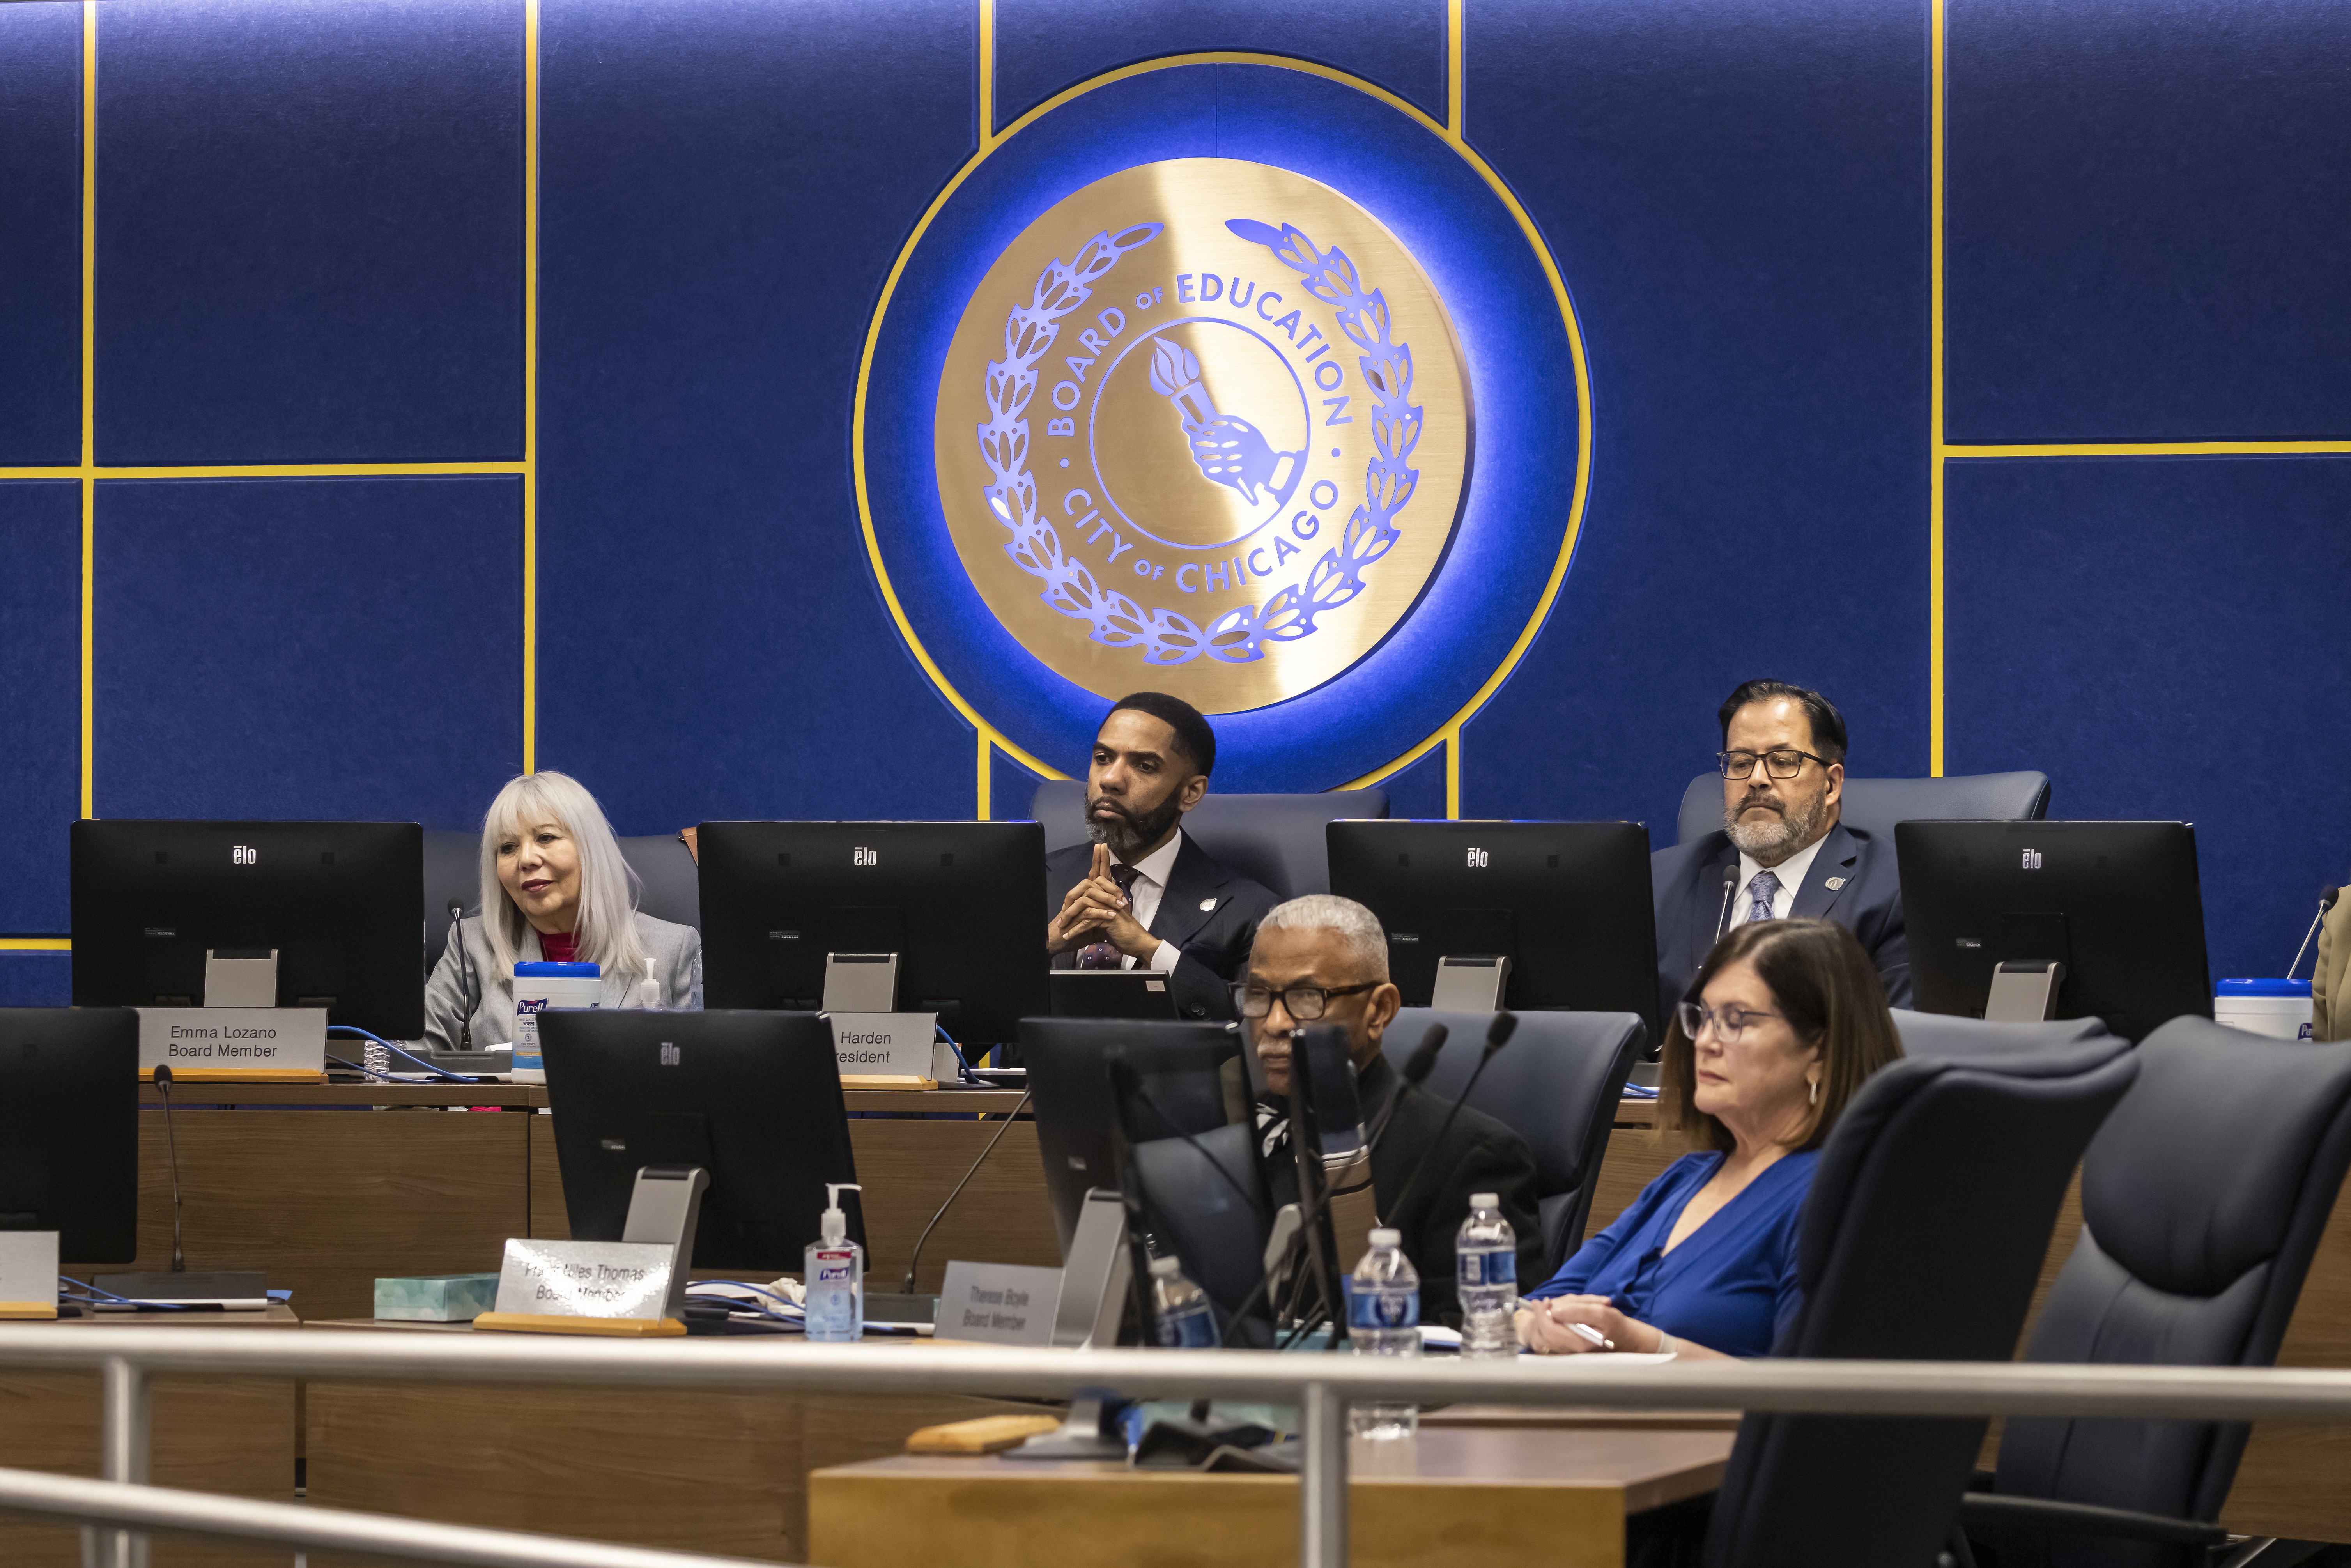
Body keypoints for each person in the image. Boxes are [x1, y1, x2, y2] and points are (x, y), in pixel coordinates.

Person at [1518, 917, 1901, 1359]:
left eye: (1736, 1020)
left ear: (1820, 1050)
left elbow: (1811, 1393)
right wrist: (1536, 1327)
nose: (1704, 1041)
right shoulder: (1686, 1177)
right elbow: (1535, 1304)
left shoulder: (1837, 1194)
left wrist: (1648, 1344)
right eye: (1702, 1017)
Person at [1238, 894, 1542, 1324]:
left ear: (1380, 1010)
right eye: (1258, 995)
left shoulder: (1467, 1155)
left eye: (1307, 997)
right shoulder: (1231, 1133)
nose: (1274, 1023)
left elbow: (1480, 1339)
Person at [1650, 678, 1910, 1022]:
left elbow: (1895, 1049)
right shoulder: (1657, 882)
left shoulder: (1893, 890)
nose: (1757, 778)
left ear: (1831, 785)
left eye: (1783, 761)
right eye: (1741, 763)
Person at [423, 771, 702, 1051]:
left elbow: (702, 1071)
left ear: (590, 850)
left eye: (546, 838)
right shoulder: (471, 944)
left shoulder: (673, 949)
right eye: (508, 847)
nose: (527, 859)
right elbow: (409, 1059)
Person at [1044, 692, 1280, 1020]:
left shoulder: (1249, 910)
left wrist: (1151, 951)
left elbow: (1257, 1027)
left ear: (1190, 792)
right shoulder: (1033, 881)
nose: (1110, 780)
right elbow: (963, 1032)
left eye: (1144, 766)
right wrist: (1045, 947)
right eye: (1103, 758)